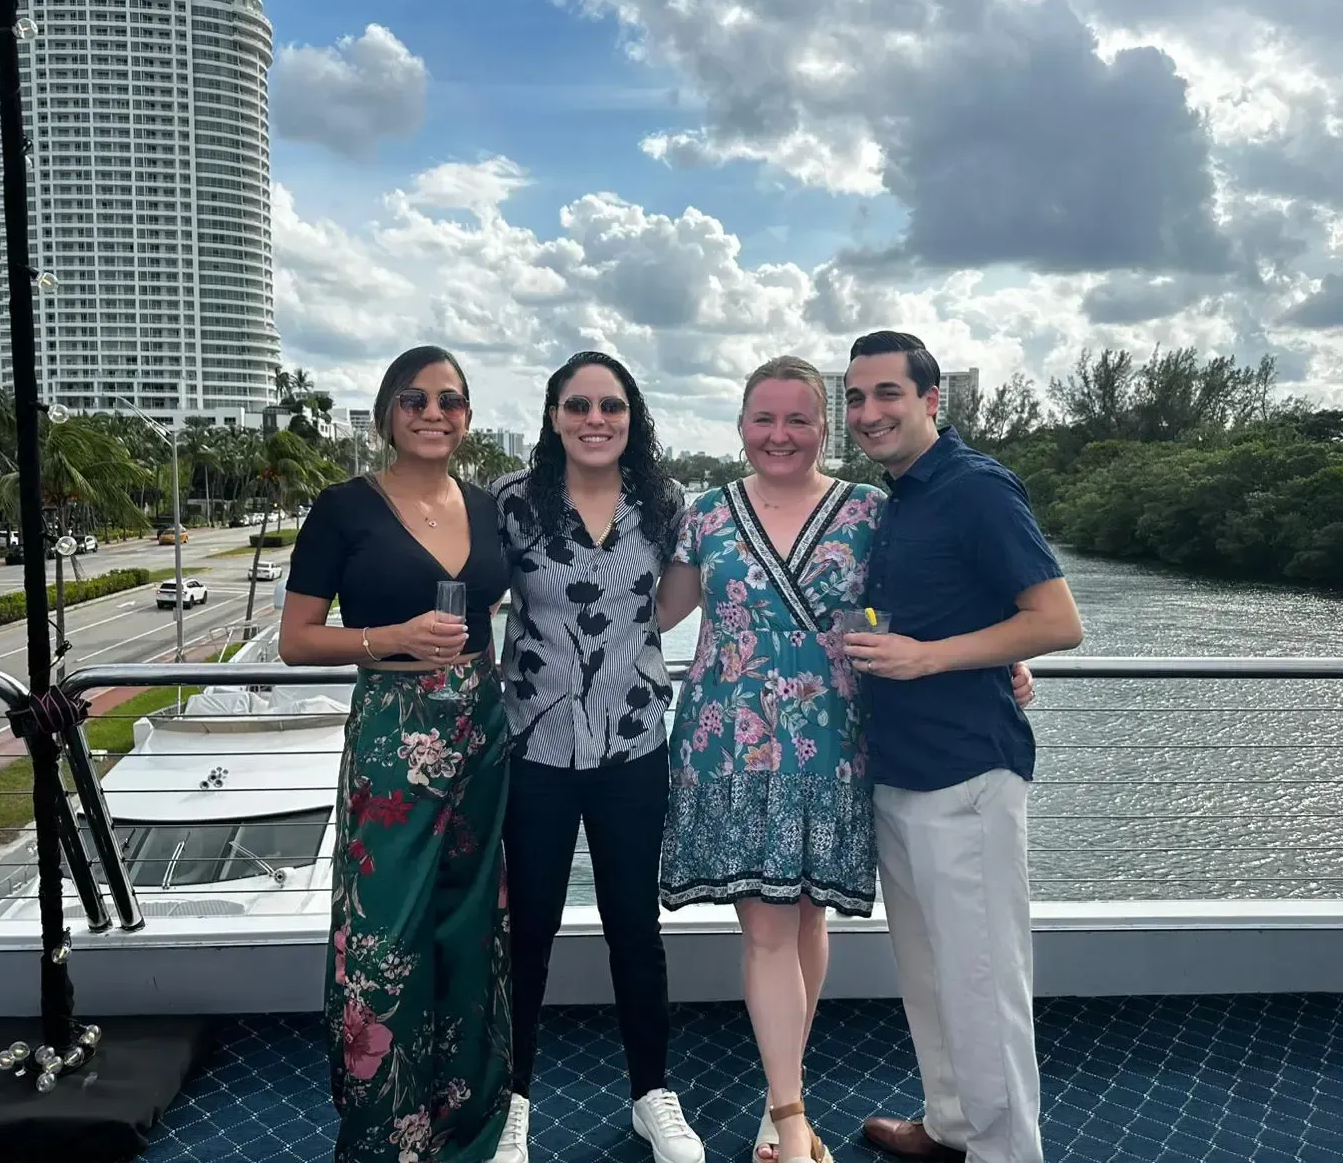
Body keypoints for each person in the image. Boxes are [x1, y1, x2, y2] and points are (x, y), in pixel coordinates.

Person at [655, 357, 1037, 1163]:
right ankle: (791, 1116)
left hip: (836, 747)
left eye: (798, 419)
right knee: (765, 928)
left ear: (823, 429)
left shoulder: (871, 511)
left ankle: (777, 1096)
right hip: (729, 750)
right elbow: (652, 612)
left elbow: (937, 593)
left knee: (806, 922)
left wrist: (1007, 652)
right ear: (740, 425)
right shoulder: (706, 517)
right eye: (763, 419)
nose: (780, 435)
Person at [840, 331, 1084, 1163]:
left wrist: (931, 657)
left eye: (886, 395)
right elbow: (984, 612)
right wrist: (986, 652)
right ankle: (950, 1124)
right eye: (856, 397)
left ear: (931, 400)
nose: (869, 413)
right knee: (929, 972)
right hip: (901, 770)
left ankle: (1007, 1151)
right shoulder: (899, 496)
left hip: (968, 772)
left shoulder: (977, 487)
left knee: (983, 983)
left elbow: (1058, 620)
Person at [279, 345, 514, 1163]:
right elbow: (295, 641)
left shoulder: (486, 507)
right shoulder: (345, 507)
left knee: (469, 918)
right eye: (414, 399)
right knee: (386, 931)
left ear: (468, 417)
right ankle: (386, 1127)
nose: (433, 413)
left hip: (482, 729)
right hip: (394, 734)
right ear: (387, 412)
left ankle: (466, 1118)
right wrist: (389, 640)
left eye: (450, 401)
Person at [489, 351, 705, 1163]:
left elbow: (675, 600)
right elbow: (473, 594)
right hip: (534, 744)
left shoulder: (666, 502)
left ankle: (653, 1093)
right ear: (553, 416)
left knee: (633, 929)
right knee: (529, 930)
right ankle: (513, 1100)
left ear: (631, 417)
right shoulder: (512, 503)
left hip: (632, 742)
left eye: (610, 406)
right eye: (577, 405)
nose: (594, 419)